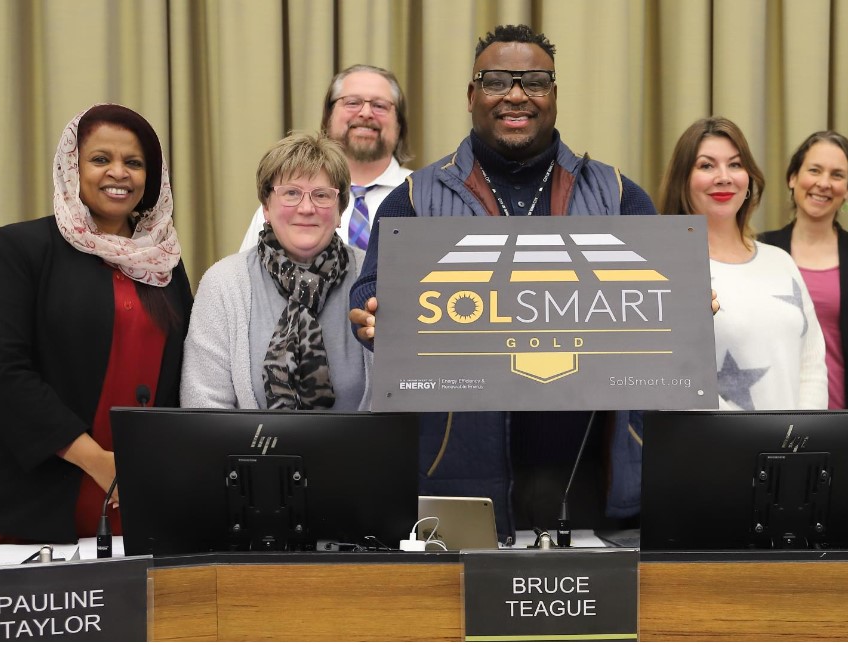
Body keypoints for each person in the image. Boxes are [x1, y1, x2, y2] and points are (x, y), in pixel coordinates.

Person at [348, 24, 658, 541]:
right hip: (460, 464)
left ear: (554, 95)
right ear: (472, 96)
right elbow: (370, 290)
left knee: (594, 618)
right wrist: (369, 314)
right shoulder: (413, 199)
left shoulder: (619, 194)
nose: (516, 94)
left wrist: (689, 303)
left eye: (534, 81)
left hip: (587, 472)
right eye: (496, 81)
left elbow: (664, 297)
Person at [0, 104, 192, 545]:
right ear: (72, 167)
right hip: (29, 505)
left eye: (134, 162)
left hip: (136, 505)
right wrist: (100, 463)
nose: (119, 173)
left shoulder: (164, 263)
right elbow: (2, 372)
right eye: (100, 159)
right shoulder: (19, 248)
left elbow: (179, 376)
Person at [182, 133, 370, 410]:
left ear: (340, 210)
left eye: (321, 195)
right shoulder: (224, 284)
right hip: (250, 453)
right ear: (266, 206)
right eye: (291, 193)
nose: (306, 208)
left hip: (363, 453)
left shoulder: (373, 275)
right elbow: (204, 407)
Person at [660, 117, 828, 411]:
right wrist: (753, 442)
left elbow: (812, 363)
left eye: (735, 164)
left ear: (749, 180)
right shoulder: (667, 269)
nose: (724, 177)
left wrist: (800, 438)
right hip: (716, 450)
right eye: (706, 165)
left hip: (795, 449)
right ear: (682, 180)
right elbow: (671, 376)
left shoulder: (781, 261)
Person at [759, 131, 848, 409]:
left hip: (847, 431)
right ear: (793, 178)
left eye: (837, 175)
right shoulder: (758, 251)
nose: (823, 183)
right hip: (768, 422)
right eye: (814, 170)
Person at [238, 64, 413, 252]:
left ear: (399, 123)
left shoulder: (423, 195)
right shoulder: (285, 200)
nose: (366, 113)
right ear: (328, 116)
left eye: (379, 106)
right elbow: (249, 276)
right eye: (352, 102)